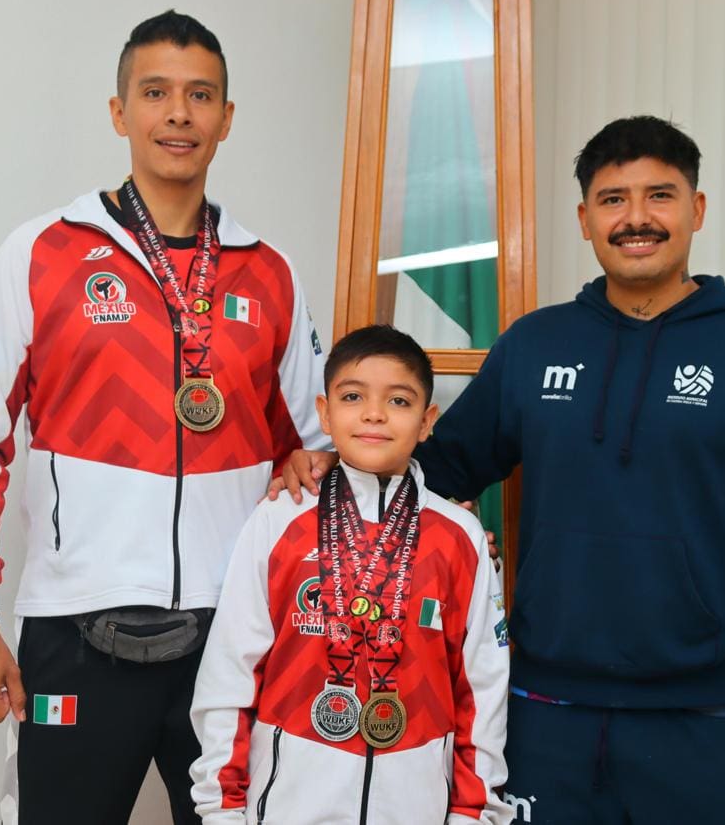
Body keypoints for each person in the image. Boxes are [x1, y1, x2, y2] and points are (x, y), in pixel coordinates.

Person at [274, 115, 725, 823]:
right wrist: (337, 464)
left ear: (697, 209)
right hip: (547, 714)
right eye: (614, 199)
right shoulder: (534, 345)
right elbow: (434, 469)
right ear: (585, 220)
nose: (637, 218)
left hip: (709, 715)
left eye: (660, 195)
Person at [0, 11, 327, 825]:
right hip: (73, 629)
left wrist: (313, 466)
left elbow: (318, 445)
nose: (178, 113)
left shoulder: (270, 271)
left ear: (227, 117)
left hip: (232, 636)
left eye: (200, 95)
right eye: (155, 93)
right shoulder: (42, 252)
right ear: (119, 112)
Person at [190, 325, 511, 824]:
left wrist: (473, 816)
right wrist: (221, 811)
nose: (374, 414)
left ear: (427, 422)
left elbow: (482, 690)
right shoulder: (279, 519)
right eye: (353, 396)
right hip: (287, 808)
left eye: (399, 401)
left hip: (416, 808)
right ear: (325, 413)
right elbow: (231, 672)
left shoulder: (459, 536)